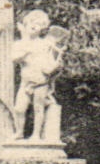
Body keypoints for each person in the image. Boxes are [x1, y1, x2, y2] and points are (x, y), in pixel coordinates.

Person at [11, 10, 68, 141]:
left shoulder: (45, 44)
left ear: (42, 28)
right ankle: (19, 132)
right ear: (25, 24)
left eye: (37, 24)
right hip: (25, 83)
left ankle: (35, 135)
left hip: (40, 82)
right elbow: (14, 59)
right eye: (31, 22)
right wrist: (26, 52)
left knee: (38, 108)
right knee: (19, 108)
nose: (33, 26)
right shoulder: (19, 44)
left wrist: (56, 64)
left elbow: (49, 64)